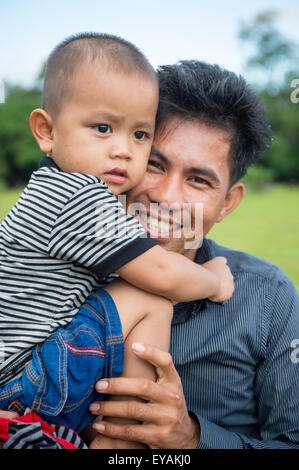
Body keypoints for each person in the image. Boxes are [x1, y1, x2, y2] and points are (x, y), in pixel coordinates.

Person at [0, 35, 234, 447]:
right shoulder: (77, 195)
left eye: (140, 135)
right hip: (24, 379)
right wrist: (213, 280)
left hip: (24, 379)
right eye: (103, 128)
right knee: (151, 297)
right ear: (46, 130)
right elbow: (161, 273)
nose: (124, 150)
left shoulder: (52, 190)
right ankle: (122, 446)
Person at [87, 60, 299, 449]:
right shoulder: (49, 274)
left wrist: (193, 439)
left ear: (227, 203)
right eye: (154, 164)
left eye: (198, 180)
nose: (166, 197)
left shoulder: (269, 299)